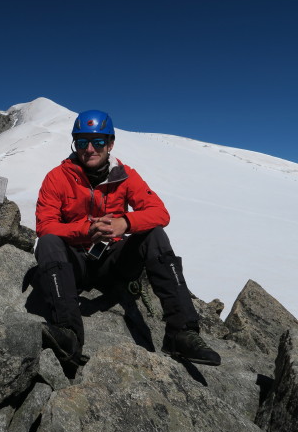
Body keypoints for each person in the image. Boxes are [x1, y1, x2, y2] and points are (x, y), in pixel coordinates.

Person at [32, 109, 221, 369]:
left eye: (98, 142)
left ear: (110, 144)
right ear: (75, 143)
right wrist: (85, 230)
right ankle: (68, 334)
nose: (90, 148)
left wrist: (126, 223)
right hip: (74, 263)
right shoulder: (58, 177)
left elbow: (160, 213)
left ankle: (181, 332)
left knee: (154, 234)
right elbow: (45, 225)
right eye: (82, 141)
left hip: (114, 262)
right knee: (49, 242)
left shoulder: (125, 176)